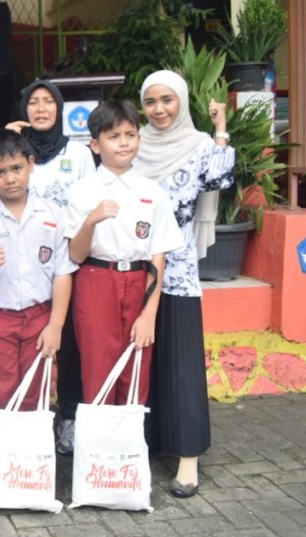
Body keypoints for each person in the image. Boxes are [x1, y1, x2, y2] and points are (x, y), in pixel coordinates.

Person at [134, 70, 234, 499]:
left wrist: (221, 129)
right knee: (142, 363)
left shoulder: (197, 148)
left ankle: (188, 458)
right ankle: (150, 441)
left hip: (176, 271)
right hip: (132, 270)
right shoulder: (131, 142)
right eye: (151, 101)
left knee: (180, 363)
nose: (159, 109)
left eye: (167, 100)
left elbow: (221, 179)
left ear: (181, 102)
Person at [0, 129, 76, 477]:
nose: (9, 178)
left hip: (41, 316)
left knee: (38, 388)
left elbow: (63, 273)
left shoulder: (53, 214)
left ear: (31, 165)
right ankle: (3, 460)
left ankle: (34, 460)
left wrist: (56, 325)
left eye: (16, 168)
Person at [64, 100, 183, 407]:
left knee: (136, 365)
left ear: (139, 139)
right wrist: (91, 220)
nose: (124, 143)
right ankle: (99, 452)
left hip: (138, 279)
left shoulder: (152, 191)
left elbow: (158, 257)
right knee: (97, 367)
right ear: (94, 144)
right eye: (114, 136)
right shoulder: (82, 190)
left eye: (130, 134)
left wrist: (149, 314)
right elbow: (76, 255)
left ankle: (129, 450)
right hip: (96, 279)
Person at [6, 79, 96, 455]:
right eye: (33, 102)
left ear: (59, 109)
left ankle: (71, 418)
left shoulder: (77, 154)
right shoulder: (16, 153)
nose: (41, 109)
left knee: (71, 345)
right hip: (24, 263)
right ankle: (28, 419)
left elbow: (91, 204)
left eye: (48, 102)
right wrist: (5, 139)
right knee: (29, 345)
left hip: (70, 262)